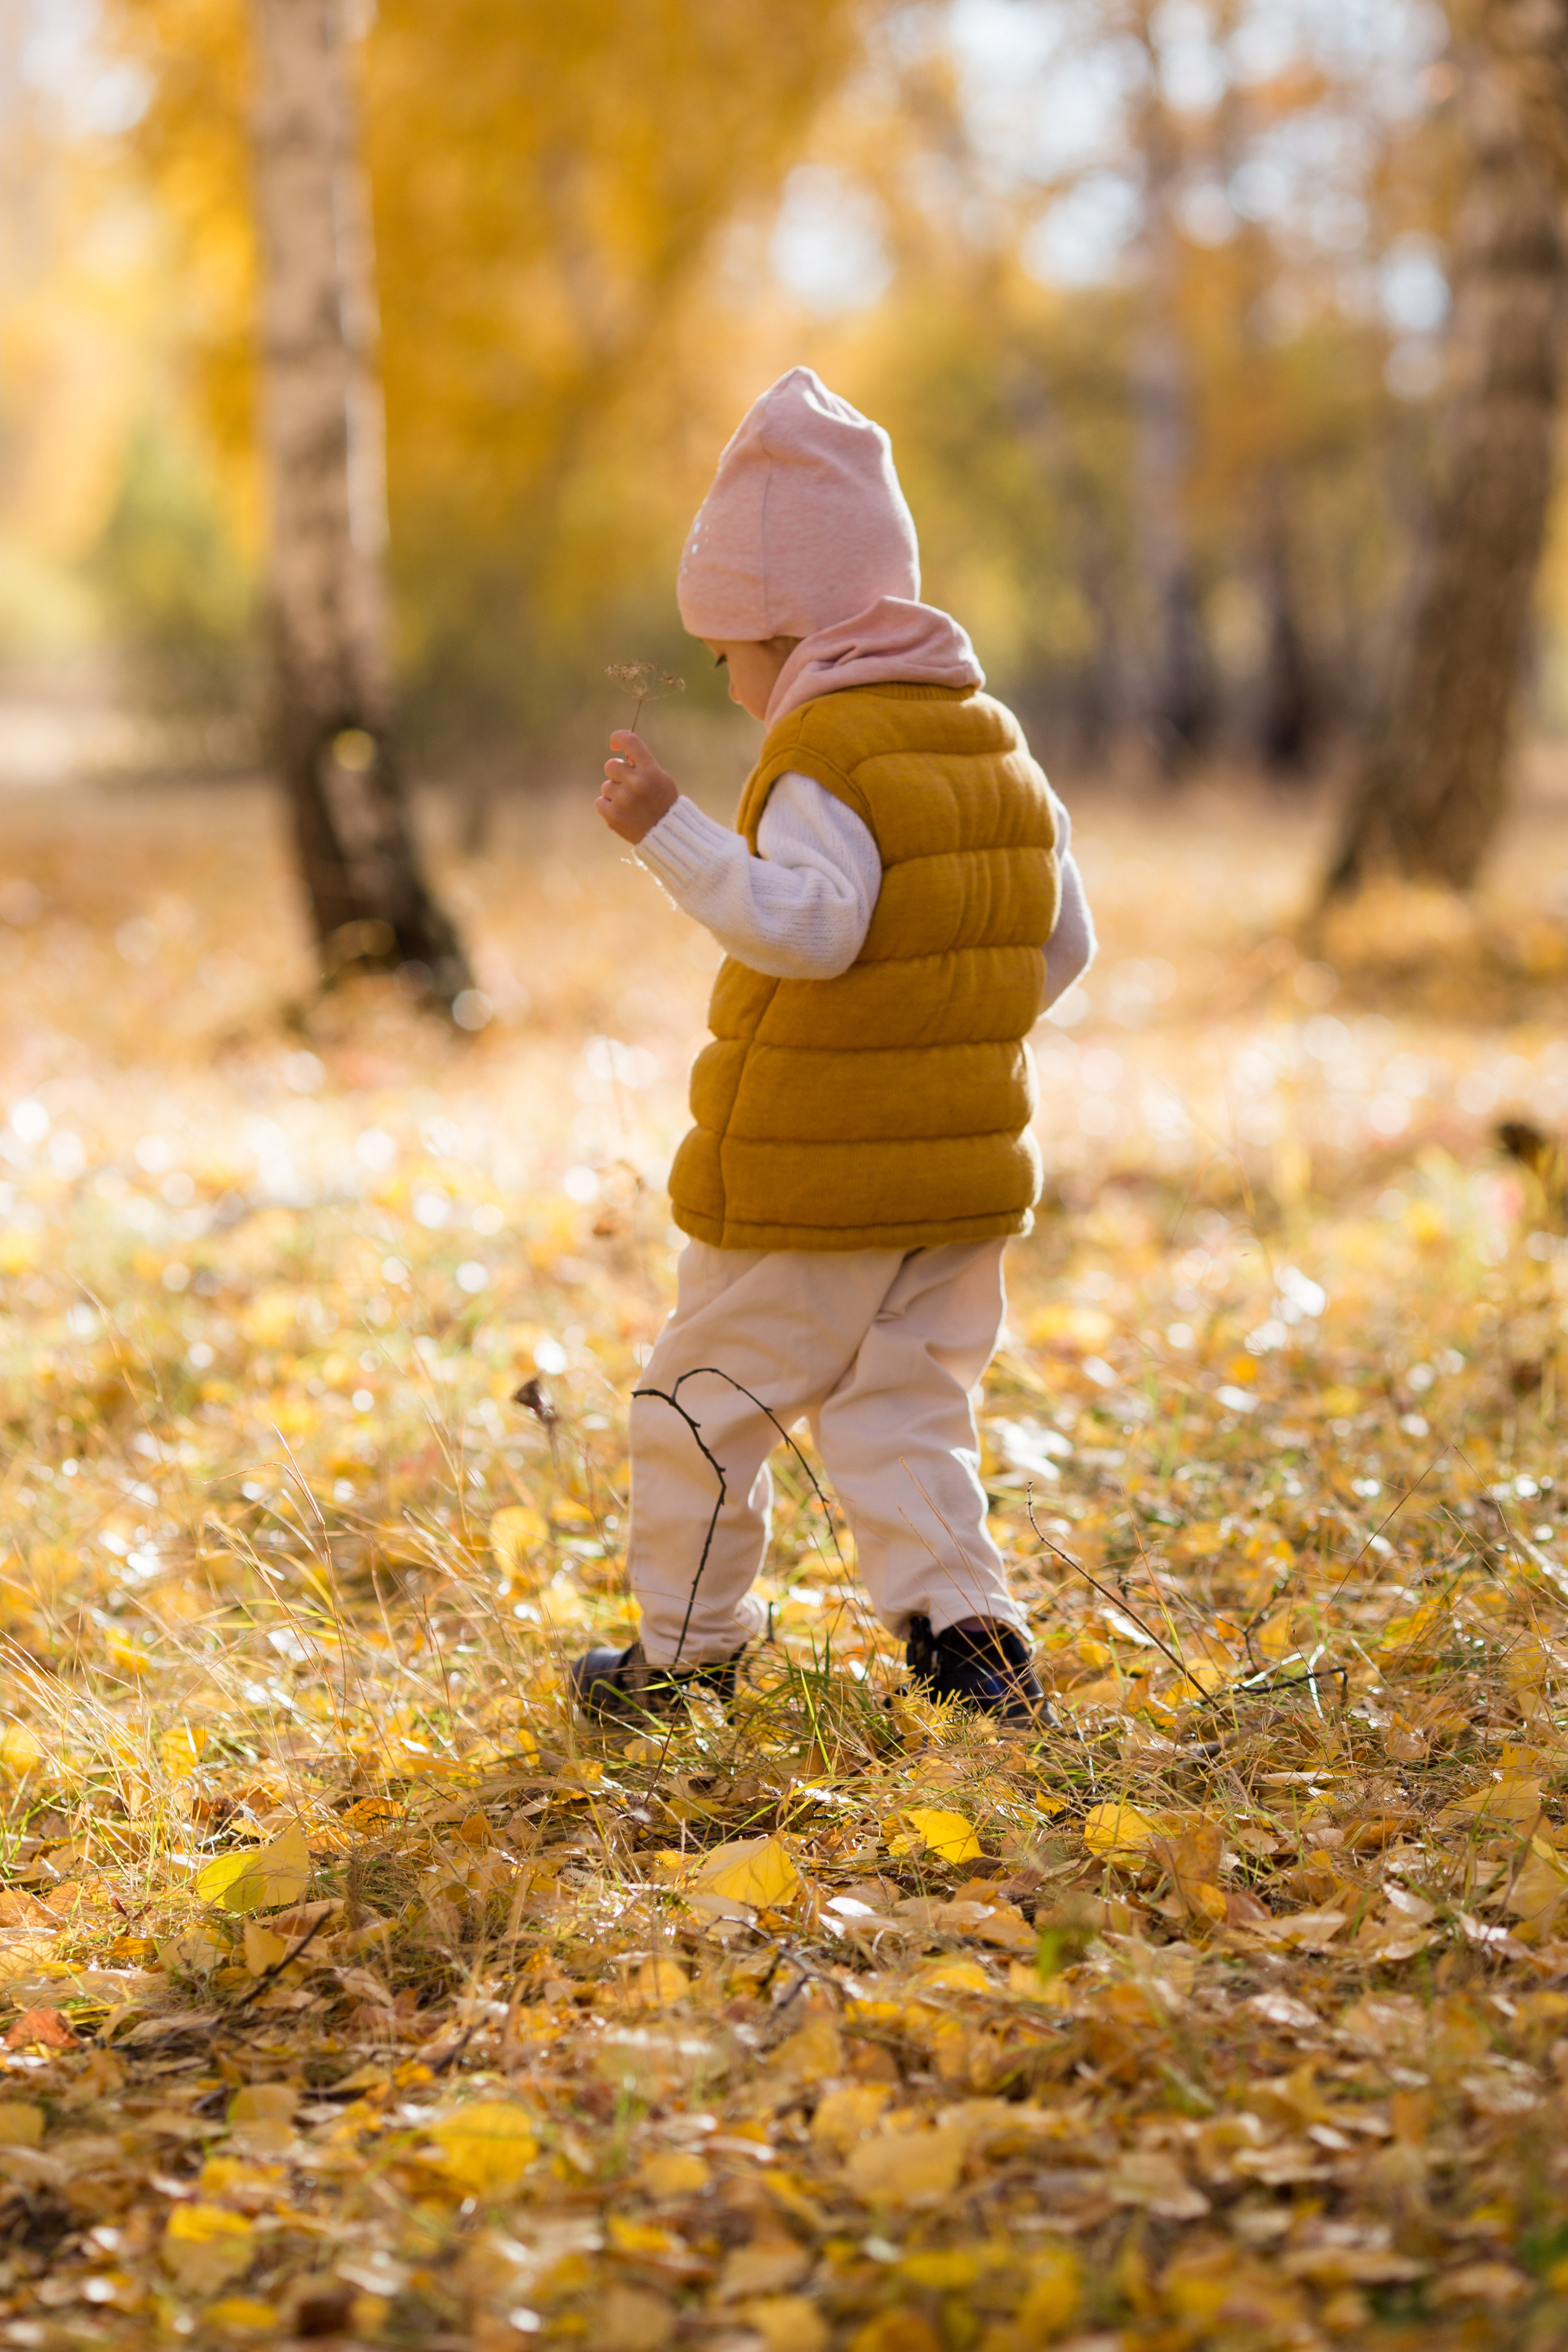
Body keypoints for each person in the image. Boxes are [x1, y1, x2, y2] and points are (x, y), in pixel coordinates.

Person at [571, 368, 1095, 1727]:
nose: (728, 681)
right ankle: (972, 1649)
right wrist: (942, 1045)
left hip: (816, 1186)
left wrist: (672, 833)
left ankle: (683, 1662)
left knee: (695, 1407)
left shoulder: (828, 752)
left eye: (730, 652)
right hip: (961, 1181)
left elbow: (808, 928)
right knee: (904, 1410)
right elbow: (1059, 942)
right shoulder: (991, 740)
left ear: (791, 627)